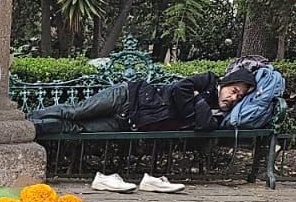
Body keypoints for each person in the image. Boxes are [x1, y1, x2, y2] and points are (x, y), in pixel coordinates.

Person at [28, 66, 256, 193]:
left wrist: (198, 103)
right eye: (233, 90)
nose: (233, 97)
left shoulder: (216, 113)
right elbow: (180, 89)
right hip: (128, 96)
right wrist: (196, 107)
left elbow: (204, 127)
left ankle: (32, 129)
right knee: (76, 112)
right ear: (226, 83)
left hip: (127, 123)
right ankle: (26, 121)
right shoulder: (207, 80)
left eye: (239, 96)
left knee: (76, 128)